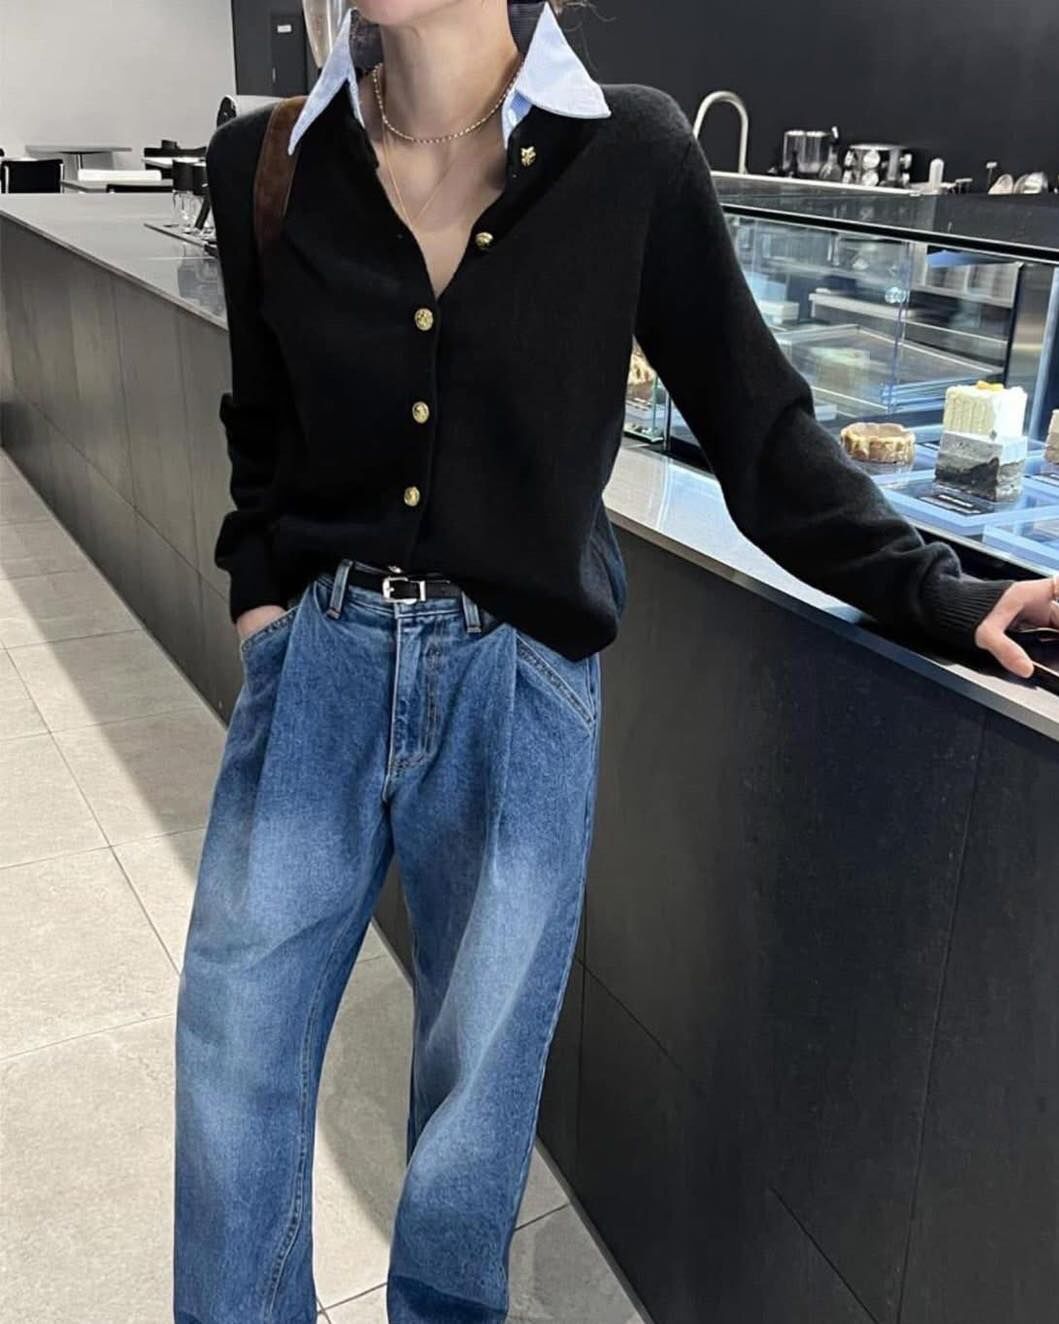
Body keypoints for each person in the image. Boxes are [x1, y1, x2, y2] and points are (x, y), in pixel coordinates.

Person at [173, 2, 1059, 1321]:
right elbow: (261, 430)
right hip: (320, 668)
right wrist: (265, 611)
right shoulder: (264, 163)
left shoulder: (627, 153)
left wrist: (938, 591)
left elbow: (762, 433)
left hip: (516, 689)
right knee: (232, 1059)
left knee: (476, 1111)